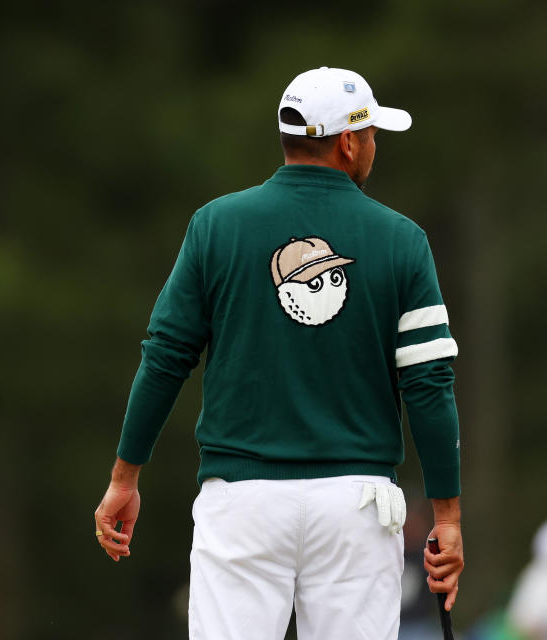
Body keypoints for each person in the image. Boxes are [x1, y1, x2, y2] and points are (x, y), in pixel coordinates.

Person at [93, 66, 465, 640]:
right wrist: (447, 518)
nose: (373, 149)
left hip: (242, 503)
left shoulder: (216, 225)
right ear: (347, 141)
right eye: (371, 136)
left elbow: (166, 355)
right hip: (357, 507)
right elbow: (428, 384)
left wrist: (125, 477)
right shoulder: (402, 239)